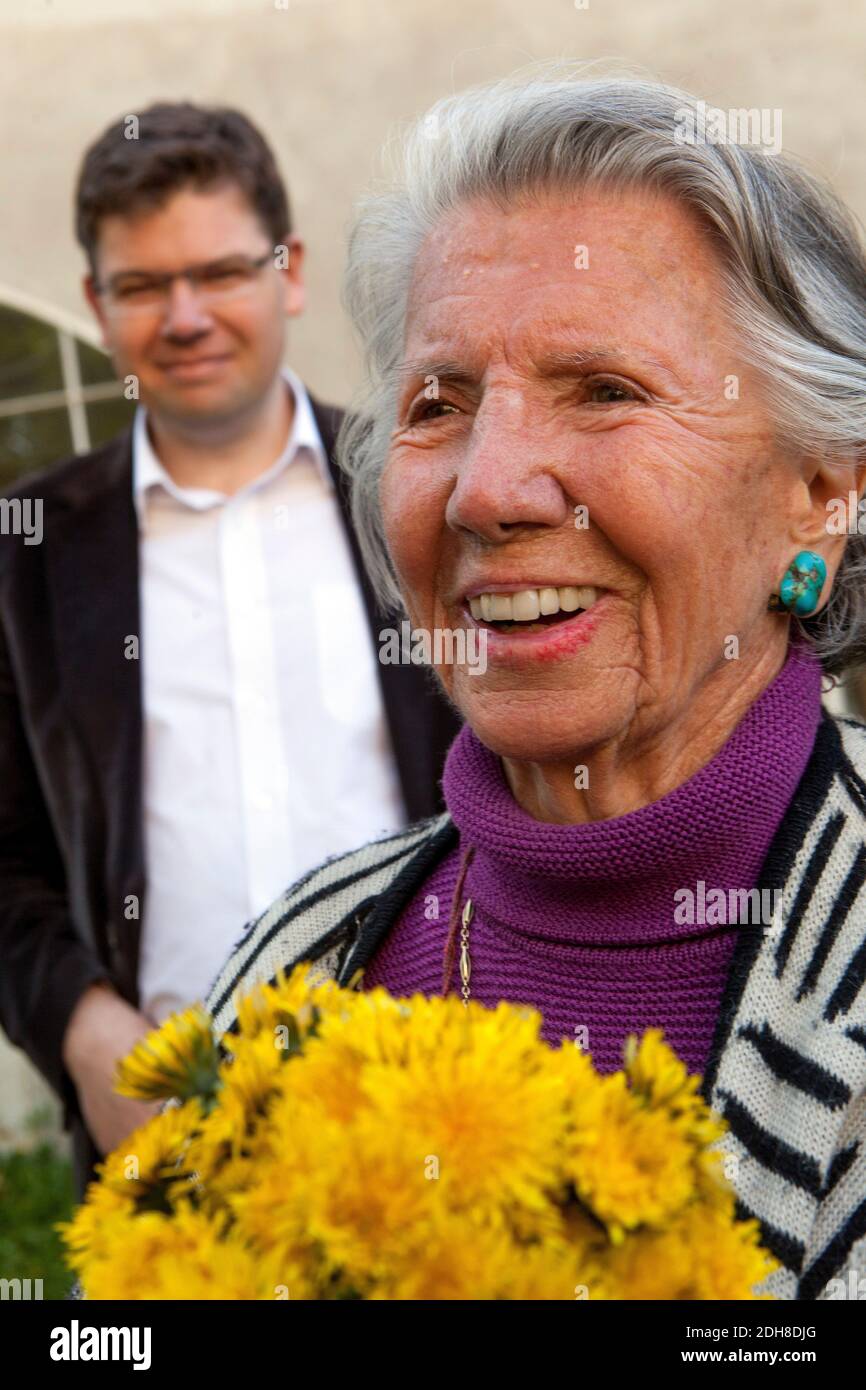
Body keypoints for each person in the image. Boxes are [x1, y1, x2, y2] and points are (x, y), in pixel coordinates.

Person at [207, 69, 866, 1301]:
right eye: (435, 403)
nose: (486, 487)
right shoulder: (294, 976)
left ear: (820, 495)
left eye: (605, 391)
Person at [0, 102, 459, 1199]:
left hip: (437, 1116)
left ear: (288, 271)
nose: (187, 315)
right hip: (167, 1153)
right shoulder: (28, 551)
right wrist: (80, 1026)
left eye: (218, 270)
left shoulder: (420, 492)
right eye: (144, 285)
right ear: (98, 309)